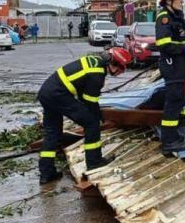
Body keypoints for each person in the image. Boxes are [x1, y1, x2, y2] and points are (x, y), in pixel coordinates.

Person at [37, 47, 131, 184]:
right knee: (92, 124)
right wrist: (98, 117)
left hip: (46, 93)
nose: (120, 72)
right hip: (59, 95)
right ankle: (94, 162)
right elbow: (90, 101)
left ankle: (46, 174)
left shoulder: (94, 61)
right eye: (121, 68)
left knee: (52, 133)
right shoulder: (97, 73)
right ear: (114, 63)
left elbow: (82, 92)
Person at [153, 0, 185, 155]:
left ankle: (173, 134)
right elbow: (164, 45)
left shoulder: (176, 16)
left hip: (180, 64)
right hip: (172, 65)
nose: (182, 1)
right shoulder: (165, 18)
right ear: (169, 0)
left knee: (178, 100)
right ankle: (169, 141)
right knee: (173, 100)